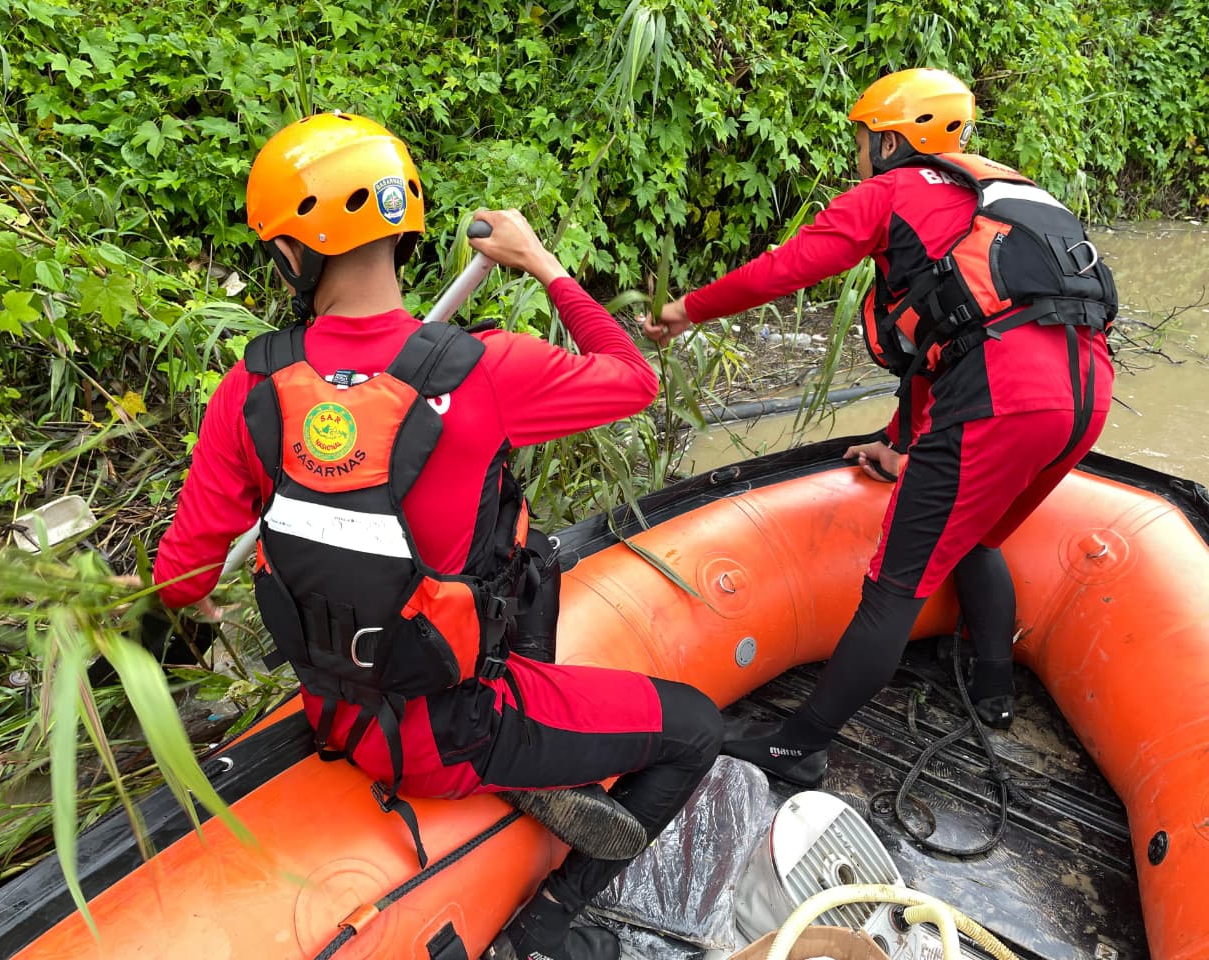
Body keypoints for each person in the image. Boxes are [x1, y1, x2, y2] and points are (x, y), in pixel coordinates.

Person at [153, 112, 722, 960]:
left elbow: (184, 576)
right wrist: (542, 264)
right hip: (454, 734)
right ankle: (549, 919)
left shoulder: (251, 385)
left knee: (538, 561)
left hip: (335, 711)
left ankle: (530, 759)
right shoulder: (484, 371)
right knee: (696, 729)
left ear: (290, 253)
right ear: (404, 234)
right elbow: (634, 378)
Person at [643, 69, 1116, 786]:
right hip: (1085, 396)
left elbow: (786, 269)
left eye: (864, 139)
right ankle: (993, 693)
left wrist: (687, 309)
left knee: (895, 583)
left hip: (1001, 396)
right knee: (976, 535)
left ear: (891, 141)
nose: (858, 154)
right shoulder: (1002, 199)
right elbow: (961, 333)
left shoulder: (892, 193)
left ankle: (797, 744)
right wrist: (900, 442)